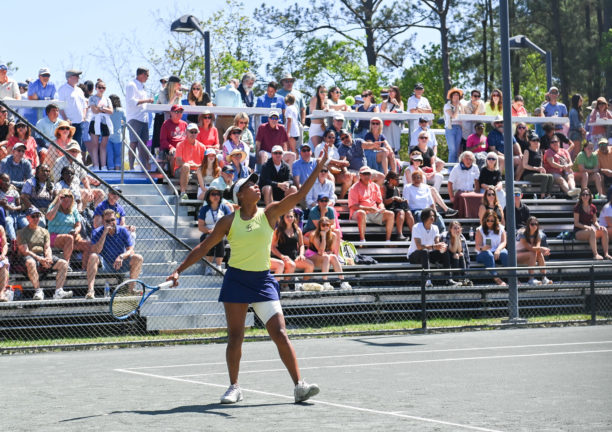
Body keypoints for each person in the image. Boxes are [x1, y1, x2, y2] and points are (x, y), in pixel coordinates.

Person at [167, 145, 330, 405]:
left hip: (263, 280)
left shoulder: (271, 213)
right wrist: (178, 271)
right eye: (250, 185)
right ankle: (234, 387)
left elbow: (300, 194)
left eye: (257, 185)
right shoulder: (228, 221)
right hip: (237, 279)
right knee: (236, 336)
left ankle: (299, 386)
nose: (257, 187)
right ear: (240, 195)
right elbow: (203, 247)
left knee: (279, 332)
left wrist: (319, 165)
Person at [86, 209, 144, 299]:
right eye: (107, 221)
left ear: (116, 220)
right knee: (93, 256)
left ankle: (131, 290)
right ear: (103, 221)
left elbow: (131, 250)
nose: (111, 223)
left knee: (138, 257)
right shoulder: (97, 232)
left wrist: (121, 256)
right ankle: (90, 291)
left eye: (112, 220)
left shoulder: (123, 231)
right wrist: (104, 234)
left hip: (120, 263)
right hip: (104, 265)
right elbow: (96, 251)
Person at [16, 207, 70, 300]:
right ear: (28, 218)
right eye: (33, 216)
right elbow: (25, 251)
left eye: (38, 216)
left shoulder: (44, 231)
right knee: (31, 263)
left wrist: (48, 258)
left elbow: (47, 247)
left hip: (43, 255)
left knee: (64, 264)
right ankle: (38, 291)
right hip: (29, 256)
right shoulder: (21, 232)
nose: (36, 218)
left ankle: (58, 291)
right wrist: (40, 259)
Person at [406, 208, 459, 287]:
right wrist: (434, 246)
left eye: (434, 216)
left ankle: (448, 279)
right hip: (414, 255)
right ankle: (427, 280)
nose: (433, 218)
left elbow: (436, 241)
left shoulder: (435, 227)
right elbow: (419, 246)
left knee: (445, 251)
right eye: (431, 216)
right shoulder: (416, 227)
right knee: (424, 251)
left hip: (428, 254)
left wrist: (441, 246)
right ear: (424, 217)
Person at [46, 189, 90, 269]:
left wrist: (76, 231)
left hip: (72, 237)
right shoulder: (53, 207)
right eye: (64, 201)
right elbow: (49, 217)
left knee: (88, 244)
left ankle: (84, 269)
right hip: (54, 237)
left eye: (69, 201)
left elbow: (78, 224)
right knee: (68, 238)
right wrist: (58, 203)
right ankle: (66, 265)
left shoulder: (73, 209)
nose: (67, 204)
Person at [271, 210, 315, 289]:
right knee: (291, 265)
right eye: (287, 216)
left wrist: (301, 254)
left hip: (294, 257)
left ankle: (303, 286)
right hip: (282, 257)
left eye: (291, 216)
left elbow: (301, 245)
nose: (290, 218)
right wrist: (282, 256)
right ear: (283, 218)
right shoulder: (278, 231)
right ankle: (285, 286)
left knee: (310, 265)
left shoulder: (298, 230)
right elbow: (273, 247)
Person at [305, 216, 350, 290]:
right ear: (319, 226)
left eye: (327, 225)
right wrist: (323, 237)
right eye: (323, 225)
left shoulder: (333, 235)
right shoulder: (314, 235)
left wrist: (326, 253)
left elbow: (331, 250)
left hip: (323, 255)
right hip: (311, 255)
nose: (326, 227)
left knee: (334, 257)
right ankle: (325, 282)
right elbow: (320, 251)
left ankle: (343, 281)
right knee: (326, 257)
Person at [125, 68, 154, 171]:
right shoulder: (131, 85)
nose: (147, 78)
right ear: (141, 74)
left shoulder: (142, 87)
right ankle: (131, 167)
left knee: (145, 144)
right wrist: (147, 100)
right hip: (134, 118)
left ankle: (144, 167)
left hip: (144, 119)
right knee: (134, 142)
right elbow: (131, 101)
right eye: (147, 75)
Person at [198, 187, 233, 274]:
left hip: (222, 233)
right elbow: (200, 226)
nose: (216, 196)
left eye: (218, 194)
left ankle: (218, 266)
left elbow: (230, 222)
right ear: (208, 196)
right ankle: (209, 266)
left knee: (219, 238)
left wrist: (220, 231)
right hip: (208, 232)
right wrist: (209, 231)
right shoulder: (204, 209)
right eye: (213, 194)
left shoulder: (224, 208)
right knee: (209, 238)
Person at [573, 189, 611, 260]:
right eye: (583, 194)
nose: (585, 196)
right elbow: (576, 223)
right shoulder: (577, 207)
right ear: (580, 197)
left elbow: (595, 221)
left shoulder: (593, 207)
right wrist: (587, 227)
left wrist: (599, 226)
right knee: (592, 231)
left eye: (587, 194)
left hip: (590, 231)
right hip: (579, 231)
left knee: (604, 230)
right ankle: (595, 254)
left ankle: (606, 254)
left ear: (590, 196)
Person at [474, 210, 508, 286]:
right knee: (488, 254)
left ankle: (513, 278)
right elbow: (477, 246)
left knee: (505, 253)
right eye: (488, 220)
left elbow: (504, 242)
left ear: (495, 220)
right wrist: (483, 248)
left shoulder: (501, 228)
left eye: (492, 220)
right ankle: (497, 279)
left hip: (497, 252)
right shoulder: (480, 229)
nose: (489, 222)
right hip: (483, 254)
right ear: (484, 220)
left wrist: (498, 250)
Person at [517, 216, 553, 285]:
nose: (534, 226)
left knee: (538, 253)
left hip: (528, 255)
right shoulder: (522, 233)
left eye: (536, 224)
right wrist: (542, 249)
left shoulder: (538, 234)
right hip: (517, 255)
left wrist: (542, 250)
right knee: (533, 253)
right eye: (532, 224)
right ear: (528, 225)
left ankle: (544, 278)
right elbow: (528, 248)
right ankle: (531, 279)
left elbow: (537, 247)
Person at [87, 80, 113, 170]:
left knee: (103, 145)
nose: (101, 89)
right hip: (95, 121)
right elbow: (94, 110)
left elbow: (111, 111)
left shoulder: (107, 99)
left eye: (103, 88)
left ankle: (104, 166)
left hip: (105, 123)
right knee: (95, 145)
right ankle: (96, 166)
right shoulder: (92, 98)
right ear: (96, 88)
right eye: (99, 87)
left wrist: (101, 108)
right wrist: (104, 109)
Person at [57, 70, 87, 150]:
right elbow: (60, 106)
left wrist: (84, 116)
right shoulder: (62, 89)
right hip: (68, 124)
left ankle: (76, 162)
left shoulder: (79, 90)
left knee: (77, 146)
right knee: (67, 146)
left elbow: (84, 105)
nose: (78, 78)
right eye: (76, 76)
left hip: (80, 123)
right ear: (69, 78)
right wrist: (65, 119)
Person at [175, 123, 206, 199]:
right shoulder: (180, 145)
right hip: (182, 170)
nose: (193, 134)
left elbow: (205, 163)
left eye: (195, 132)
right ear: (186, 132)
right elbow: (178, 162)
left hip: (197, 171)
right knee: (186, 166)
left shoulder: (202, 146)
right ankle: (183, 193)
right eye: (191, 132)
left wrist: (198, 168)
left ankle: (206, 193)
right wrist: (190, 165)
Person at [522, 132, 555, 198]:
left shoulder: (539, 151)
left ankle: (548, 195)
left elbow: (540, 164)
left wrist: (542, 169)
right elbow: (524, 165)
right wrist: (536, 168)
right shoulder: (527, 151)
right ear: (530, 142)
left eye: (537, 140)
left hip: (537, 174)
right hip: (528, 174)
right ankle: (542, 196)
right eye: (534, 140)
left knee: (550, 176)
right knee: (545, 177)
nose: (536, 142)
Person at [382, 171, 413, 240]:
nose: (398, 181)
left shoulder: (397, 189)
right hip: (388, 209)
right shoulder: (384, 188)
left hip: (396, 208)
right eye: (397, 179)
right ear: (391, 179)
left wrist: (402, 200)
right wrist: (393, 198)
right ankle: (399, 234)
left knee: (408, 212)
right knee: (401, 212)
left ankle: (414, 234)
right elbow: (383, 202)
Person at [447, 151, 480, 216]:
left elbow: (477, 181)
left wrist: (477, 192)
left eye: (470, 159)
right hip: (459, 191)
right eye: (467, 159)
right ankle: (463, 217)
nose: (469, 161)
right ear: (462, 159)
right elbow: (450, 183)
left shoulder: (475, 167)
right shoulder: (456, 168)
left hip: (470, 191)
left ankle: (474, 218)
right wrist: (451, 196)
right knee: (463, 196)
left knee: (479, 197)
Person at [159, 105, 188, 175]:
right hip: (171, 150)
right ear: (171, 113)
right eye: (177, 111)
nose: (179, 114)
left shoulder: (185, 124)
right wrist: (171, 147)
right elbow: (163, 141)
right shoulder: (166, 124)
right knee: (174, 153)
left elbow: (188, 139)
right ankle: (173, 176)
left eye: (181, 112)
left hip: (184, 149)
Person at [441, 221, 471, 285]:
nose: (456, 230)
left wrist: (457, 238)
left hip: (455, 256)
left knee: (460, 254)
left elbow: (460, 251)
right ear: (450, 229)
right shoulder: (445, 235)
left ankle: (464, 278)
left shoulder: (462, 237)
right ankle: (455, 279)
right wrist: (456, 237)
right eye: (454, 228)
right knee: (456, 255)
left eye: (458, 228)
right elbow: (452, 251)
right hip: (445, 257)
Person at [0, 172, 26, 241]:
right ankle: (14, 241)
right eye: (4, 180)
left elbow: (20, 206)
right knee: (8, 221)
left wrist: (12, 208)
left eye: (8, 180)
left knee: (25, 223)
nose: (7, 183)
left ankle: (29, 241)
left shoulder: (14, 192)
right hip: (5, 215)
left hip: (16, 214)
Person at [443, 88, 465, 163]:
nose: (456, 97)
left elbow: (463, 115)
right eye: (454, 95)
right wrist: (456, 107)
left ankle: (455, 167)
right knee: (452, 149)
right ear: (451, 97)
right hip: (450, 128)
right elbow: (453, 116)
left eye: (457, 95)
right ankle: (450, 169)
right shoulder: (447, 106)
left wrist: (461, 107)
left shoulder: (460, 105)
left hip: (459, 128)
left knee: (457, 149)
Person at [380, 85, 403, 153]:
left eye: (392, 91)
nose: (390, 93)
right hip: (387, 125)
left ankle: (395, 155)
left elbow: (401, 112)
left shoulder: (400, 102)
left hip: (395, 125)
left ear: (396, 92)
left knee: (395, 142)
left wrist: (396, 104)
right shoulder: (385, 102)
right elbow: (382, 113)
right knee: (387, 142)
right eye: (389, 91)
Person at [106, 95, 125, 171]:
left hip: (108, 135)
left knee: (110, 154)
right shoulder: (121, 111)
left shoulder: (107, 111)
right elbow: (125, 121)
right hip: (118, 136)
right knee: (118, 155)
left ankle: (111, 169)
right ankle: (117, 169)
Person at [0, 222, 9, 302]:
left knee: (4, 263)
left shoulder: (0, 228)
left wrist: (3, 254)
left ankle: (1, 293)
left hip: (0, 256)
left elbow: (5, 244)